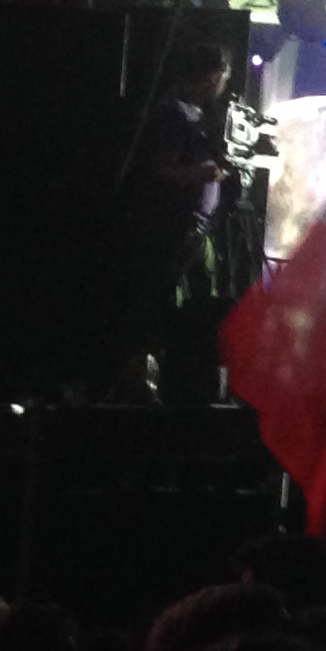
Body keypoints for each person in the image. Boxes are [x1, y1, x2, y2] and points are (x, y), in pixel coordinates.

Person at [113, 43, 228, 401]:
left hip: (194, 231)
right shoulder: (171, 116)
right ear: (212, 77)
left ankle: (185, 380)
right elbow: (161, 169)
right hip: (172, 231)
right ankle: (145, 383)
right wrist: (202, 174)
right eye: (222, 78)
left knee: (196, 307)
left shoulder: (196, 117)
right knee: (163, 305)